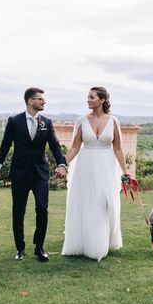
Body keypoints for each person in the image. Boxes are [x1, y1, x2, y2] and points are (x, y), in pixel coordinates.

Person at [0, 87, 68, 262]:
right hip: (20, 173)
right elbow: (5, 145)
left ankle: (39, 247)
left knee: (42, 209)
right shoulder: (14, 121)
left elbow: (55, 146)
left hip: (41, 174)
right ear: (30, 101)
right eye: (40, 99)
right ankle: (20, 248)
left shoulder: (46, 123)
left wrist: (62, 163)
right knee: (18, 212)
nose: (44, 102)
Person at [61, 86, 128, 261]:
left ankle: (105, 239)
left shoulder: (113, 120)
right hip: (86, 165)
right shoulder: (82, 120)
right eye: (88, 97)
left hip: (106, 166)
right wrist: (63, 164)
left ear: (103, 99)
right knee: (88, 203)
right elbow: (75, 146)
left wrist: (126, 171)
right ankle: (90, 245)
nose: (88, 100)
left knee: (106, 203)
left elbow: (118, 148)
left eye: (91, 97)